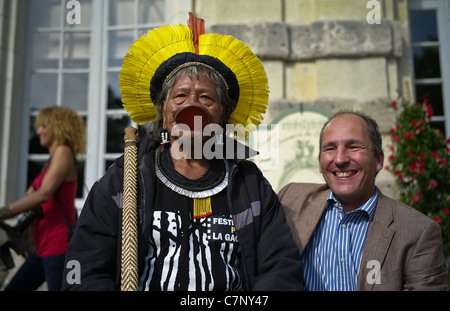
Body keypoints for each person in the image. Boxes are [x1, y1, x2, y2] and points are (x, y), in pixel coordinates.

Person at [61, 14, 303, 291]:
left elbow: (281, 269)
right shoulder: (126, 179)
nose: (192, 107)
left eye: (205, 98)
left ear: (222, 117)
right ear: (164, 115)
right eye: (180, 96)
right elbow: (82, 268)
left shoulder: (249, 185)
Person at [278, 110, 448, 291]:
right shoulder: (290, 199)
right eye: (330, 148)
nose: (340, 159)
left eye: (354, 147)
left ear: (379, 160)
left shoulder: (417, 231)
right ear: (320, 162)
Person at [0, 106, 85, 291]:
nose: (38, 131)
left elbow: (43, 194)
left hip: (60, 246)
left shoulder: (64, 152)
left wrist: (3, 212)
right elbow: (31, 197)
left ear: (58, 126)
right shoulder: (50, 162)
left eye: (44, 126)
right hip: (43, 248)